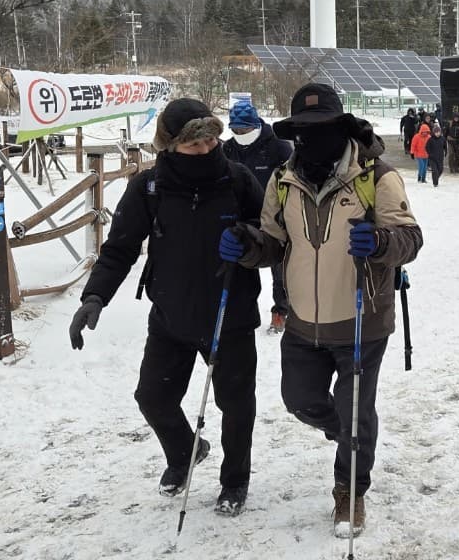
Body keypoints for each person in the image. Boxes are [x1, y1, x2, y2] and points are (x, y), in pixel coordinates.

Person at [219, 83, 423, 538]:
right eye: (302, 130)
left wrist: (382, 242)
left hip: (361, 319)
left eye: (322, 128)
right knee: (300, 401)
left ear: (341, 126)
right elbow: (273, 243)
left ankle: (349, 491)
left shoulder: (377, 175)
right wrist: (247, 244)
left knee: (354, 411)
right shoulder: (283, 179)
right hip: (303, 320)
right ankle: (353, 433)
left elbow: (410, 238)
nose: (312, 138)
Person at [70, 98, 264, 517]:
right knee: (152, 397)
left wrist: (249, 241)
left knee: (236, 406)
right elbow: (120, 248)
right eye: (196, 145)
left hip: (229, 314)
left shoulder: (238, 180)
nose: (208, 150)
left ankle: (235, 481)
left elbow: (272, 238)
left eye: (212, 141)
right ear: (170, 145)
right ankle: (184, 452)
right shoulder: (149, 187)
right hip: (171, 315)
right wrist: (94, 296)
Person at [223, 100, 294, 333]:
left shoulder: (278, 147)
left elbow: (291, 180)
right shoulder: (228, 149)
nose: (239, 134)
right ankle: (238, 310)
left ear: (255, 126)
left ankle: (281, 311)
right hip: (242, 216)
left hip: (275, 215)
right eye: (235, 130)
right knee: (241, 263)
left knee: (279, 267)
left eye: (243, 130)